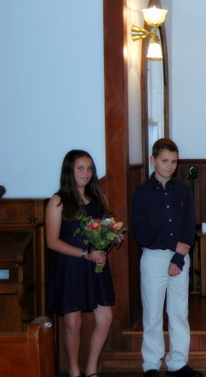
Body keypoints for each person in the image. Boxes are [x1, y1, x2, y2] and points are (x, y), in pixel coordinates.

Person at [132, 138, 201, 377]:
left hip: (180, 258)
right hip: (153, 258)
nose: (169, 166)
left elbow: (188, 227)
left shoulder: (183, 191)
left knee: (179, 312)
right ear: (153, 161)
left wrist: (178, 258)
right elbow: (140, 231)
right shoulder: (141, 193)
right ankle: (151, 364)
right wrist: (171, 245)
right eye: (164, 161)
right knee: (152, 313)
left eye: (173, 162)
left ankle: (178, 363)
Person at [45, 149, 114, 377]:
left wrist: (103, 251)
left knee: (105, 319)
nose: (86, 173)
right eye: (80, 168)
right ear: (69, 171)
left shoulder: (97, 199)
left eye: (90, 168)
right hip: (70, 267)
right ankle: (74, 372)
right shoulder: (58, 201)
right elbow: (52, 241)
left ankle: (91, 369)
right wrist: (85, 253)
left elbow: (106, 233)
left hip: (95, 266)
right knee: (73, 324)